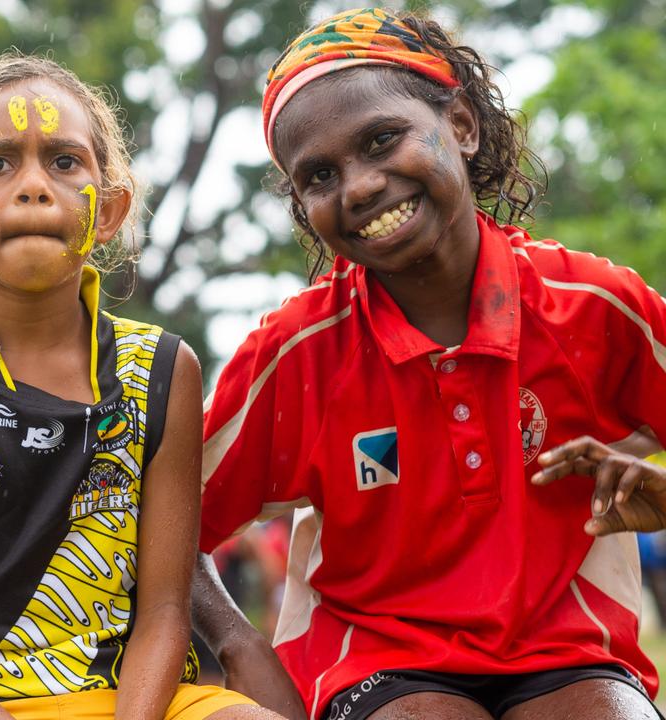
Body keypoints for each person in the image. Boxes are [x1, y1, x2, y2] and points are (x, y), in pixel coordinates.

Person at [194, 8, 666, 720]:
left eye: (382, 139)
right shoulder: (296, 356)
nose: (357, 187)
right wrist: (240, 649)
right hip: (378, 664)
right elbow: (154, 526)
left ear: (464, 126)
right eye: (320, 176)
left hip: (570, 655)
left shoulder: (593, 307)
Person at [0, 53, 286, 720]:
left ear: (109, 211)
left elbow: (164, 608)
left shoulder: (164, 369)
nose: (34, 186)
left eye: (64, 162)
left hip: (134, 699)